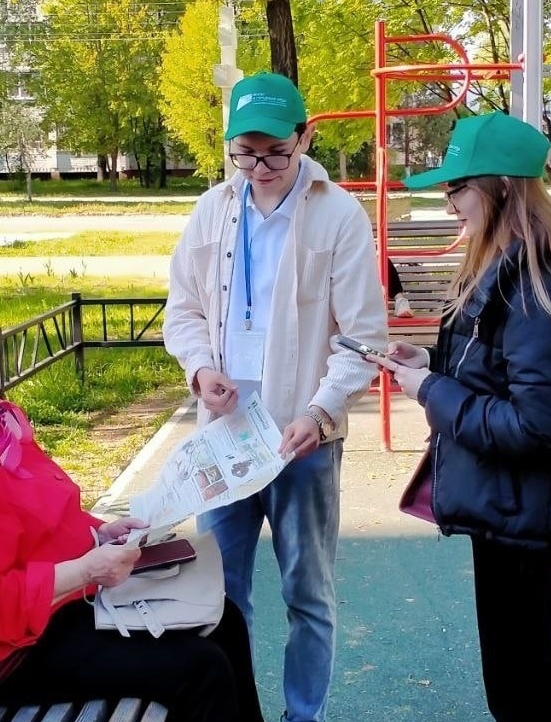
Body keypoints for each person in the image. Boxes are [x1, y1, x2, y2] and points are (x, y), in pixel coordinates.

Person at [0, 283, 264, 722]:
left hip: (52, 609)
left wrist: (96, 531)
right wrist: (86, 569)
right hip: (3, 652)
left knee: (226, 620)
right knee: (201, 670)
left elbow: (36, 514)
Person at [364, 112, 551, 722]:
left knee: (517, 670)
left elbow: (538, 426)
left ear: (502, 186)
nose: (450, 202)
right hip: (513, 504)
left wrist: (429, 390)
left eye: (459, 187)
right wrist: (428, 362)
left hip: (522, 507)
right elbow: (497, 370)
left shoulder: (535, 290)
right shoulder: (513, 270)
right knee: (518, 660)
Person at [162, 71, 388, 722]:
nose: (259, 166)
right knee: (218, 594)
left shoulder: (339, 215)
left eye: (274, 151)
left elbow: (363, 337)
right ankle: (233, 712)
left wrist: (321, 413)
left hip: (302, 439)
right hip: (226, 436)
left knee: (308, 592)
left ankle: (303, 716)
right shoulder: (212, 210)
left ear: (305, 136)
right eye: (245, 151)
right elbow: (182, 311)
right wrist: (201, 368)